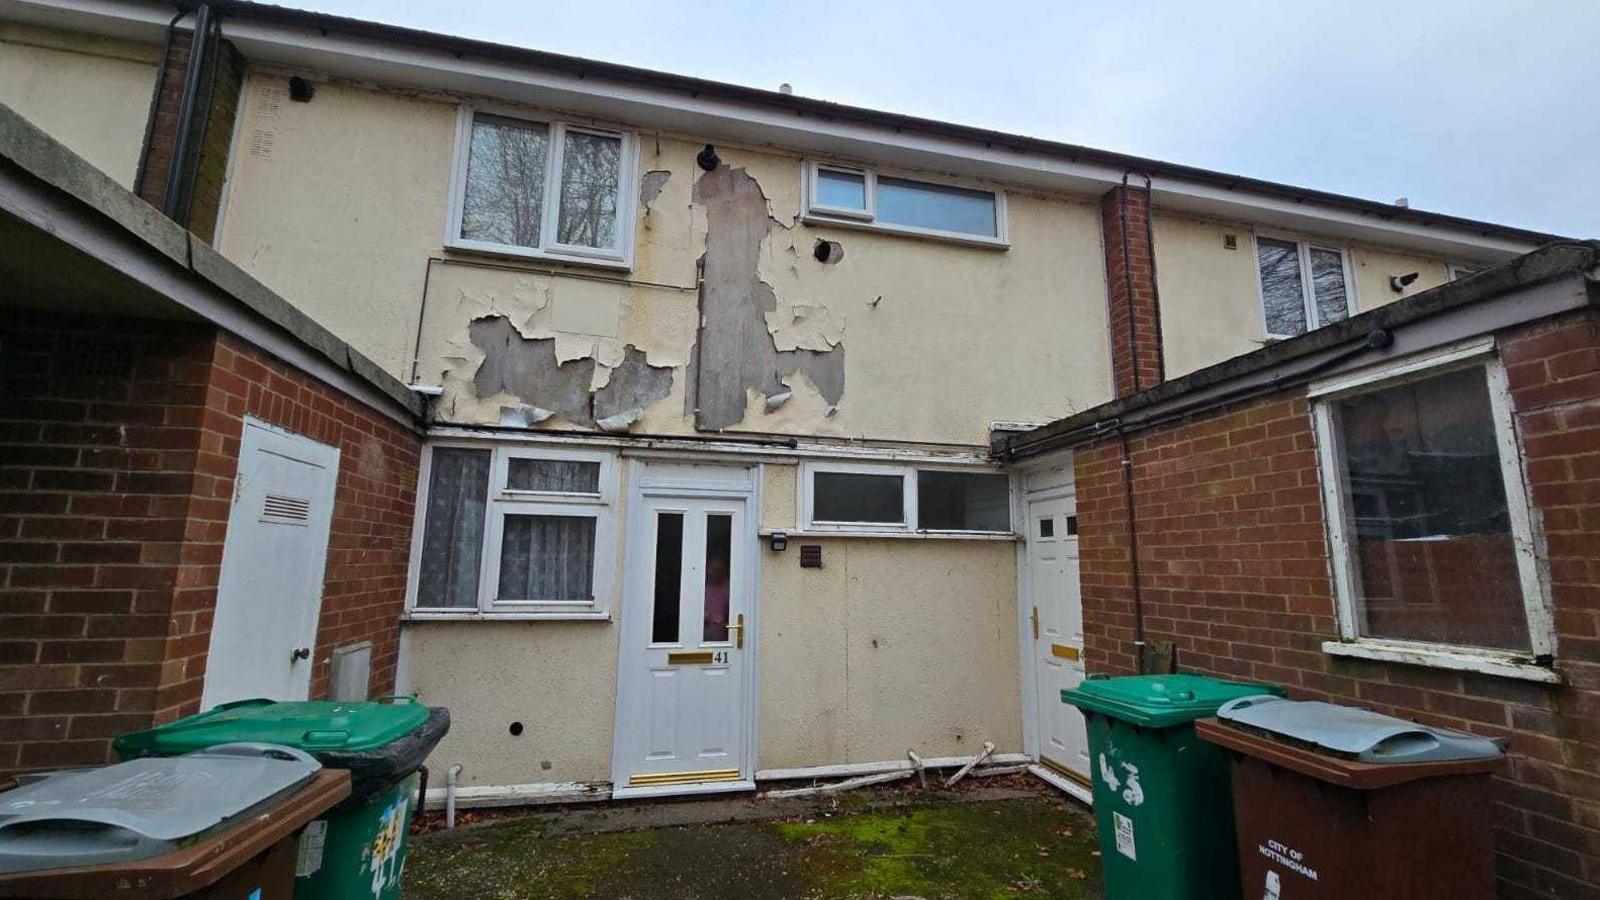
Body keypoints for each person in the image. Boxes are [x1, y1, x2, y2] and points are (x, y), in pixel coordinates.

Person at [703, 551, 730, 642]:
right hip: (703, 638)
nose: (714, 573)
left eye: (718, 570)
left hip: (726, 640)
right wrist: (709, 616)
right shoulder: (702, 588)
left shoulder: (729, 588)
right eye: (712, 569)